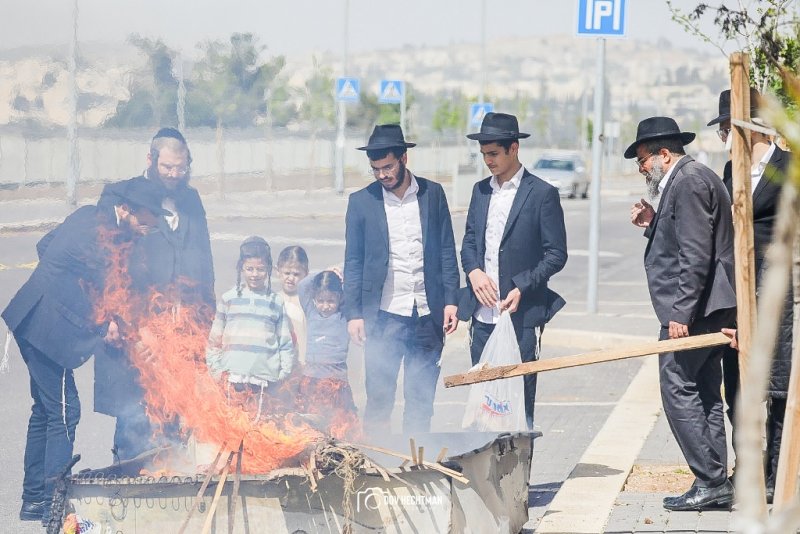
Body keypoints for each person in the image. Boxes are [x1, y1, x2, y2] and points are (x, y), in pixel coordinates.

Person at [1, 177, 169, 523]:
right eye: (142, 222)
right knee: (65, 413)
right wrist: (107, 324)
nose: (143, 231)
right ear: (125, 209)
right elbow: (111, 294)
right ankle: (54, 506)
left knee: (45, 411)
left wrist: (63, 287)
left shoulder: (87, 216)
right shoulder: (103, 237)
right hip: (48, 331)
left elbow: (45, 247)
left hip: (30, 316)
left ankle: (34, 498)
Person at [627, 116, 738, 511]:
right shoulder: (691, 178)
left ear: (663, 153)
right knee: (705, 392)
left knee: (677, 389)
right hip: (708, 308)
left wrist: (681, 313)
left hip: (696, 309)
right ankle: (715, 480)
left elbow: (695, 254)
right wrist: (653, 223)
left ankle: (710, 479)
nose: (641, 169)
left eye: (642, 160)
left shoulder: (689, 180)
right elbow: (688, 240)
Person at [94, 127, 215, 462]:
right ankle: (128, 476)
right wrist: (114, 320)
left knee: (176, 409)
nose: (176, 175)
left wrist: (210, 320)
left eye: (182, 168)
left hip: (183, 326)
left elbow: (204, 262)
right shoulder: (120, 196)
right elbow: (107, 265)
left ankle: (172, 477)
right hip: (138, 327)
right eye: (168, 168)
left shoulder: (191, 199)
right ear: (150, 160)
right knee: (137, 411)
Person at [344, 124, 460, 434]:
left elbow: (447, 249)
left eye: (387, 167)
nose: (382, 175)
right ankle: (377, 462)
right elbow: (353, 260)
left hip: (427, 315)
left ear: (404, 158)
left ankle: (415, 463)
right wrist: (354, 313)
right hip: (383, 317)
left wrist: (451, 300)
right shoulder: (361, 202)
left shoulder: (432, 194)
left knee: (420, 398)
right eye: (375, 169)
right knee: (380, 397)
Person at [459, 112, 568, 430]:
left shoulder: (541, 194)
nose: (487, 161)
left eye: (493, 154)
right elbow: (468, 242)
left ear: (514, 149)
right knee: (485, 403)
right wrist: (474, 272)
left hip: (521, 320)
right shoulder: (480, 191)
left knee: (518, 404)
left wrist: (522, 286)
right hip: (482, 319)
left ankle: (517, 479)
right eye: (483, 155)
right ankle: (487, 476)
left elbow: (557, 254)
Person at [710, 88, 793, 501]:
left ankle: (777, 475)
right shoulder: (730, 171)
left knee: (777, 388)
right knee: (739, 387)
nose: (724, 135)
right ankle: (749, 469)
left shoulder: (789, 166)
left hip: (779, 290)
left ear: (753, 130)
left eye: (728, 127)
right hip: (737, 293)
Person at [206, 236, 295, 421]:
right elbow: (214, 341)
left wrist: (283, 372)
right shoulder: (228, 299)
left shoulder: (275, 301)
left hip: (263, 380)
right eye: (250, 269)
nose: (255, 274)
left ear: (269, 270)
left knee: (258, 429)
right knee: (233, 427)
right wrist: (216, 370)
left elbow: (285, 342)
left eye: (261, 269)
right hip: (233, 378)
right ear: (241, 268)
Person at [295, 270, 357, 431]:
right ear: (314, 299)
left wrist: (342, 278)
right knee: (310, 424)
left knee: (338, 425)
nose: (325, 306)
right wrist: (326, 271)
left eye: (331, 301)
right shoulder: (311, 311)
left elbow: (354, 292)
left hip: (336, 380)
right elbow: (302, 285)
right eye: (320, 300)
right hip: (311, 379)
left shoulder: (344, 314)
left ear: (340, 298)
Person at [276, 246, 310, 365]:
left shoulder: (309, 301)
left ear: (306, 274)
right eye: (287, 273)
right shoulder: (273, 299)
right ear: (278, 271)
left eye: (296, 274)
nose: (291, 278)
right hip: (279, 362)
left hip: (302, 362)